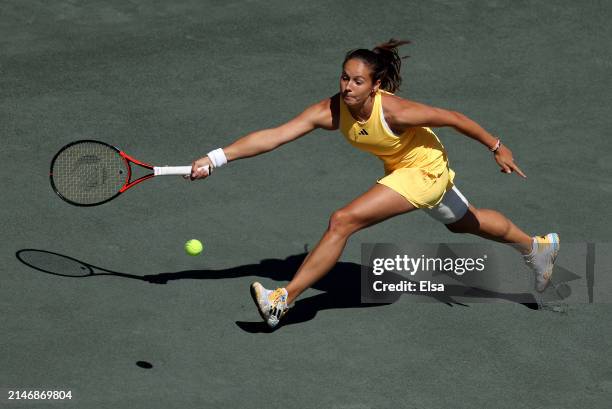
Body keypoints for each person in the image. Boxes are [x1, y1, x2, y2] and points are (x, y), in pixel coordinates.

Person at [190, 39, 560, 328]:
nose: (347, 87)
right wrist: (216, 157)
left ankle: (283, 300)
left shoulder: (396, 111)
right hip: (406, 168)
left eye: (357, 81)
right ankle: (536, 248)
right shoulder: (331, 109)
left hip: (424, 171)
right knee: (468, 222)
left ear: (375, 85)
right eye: (344, 77)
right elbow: (274, 136)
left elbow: (453, 117)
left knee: (343, 220)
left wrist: (497, 146)